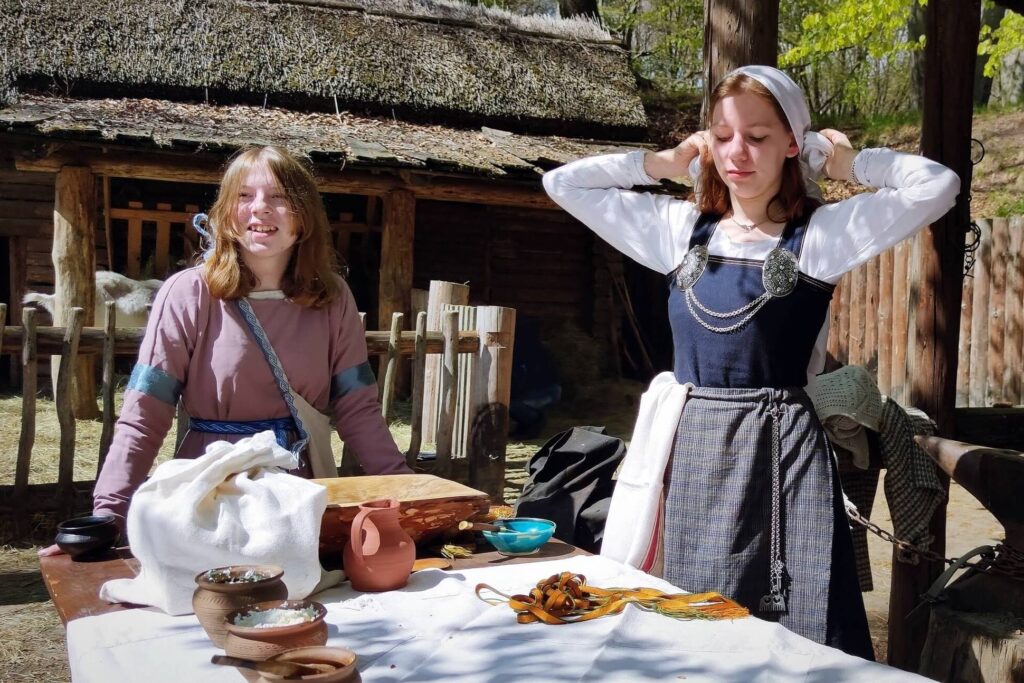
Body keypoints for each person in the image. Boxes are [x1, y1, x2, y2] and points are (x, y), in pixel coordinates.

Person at [542, 65, 960, 658]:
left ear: (793, 143)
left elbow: (938, 186)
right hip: (693, 457)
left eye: (759, 137)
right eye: (722, 134)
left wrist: (847, 163)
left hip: (783, 456)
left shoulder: (821, 236)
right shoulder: (679, 231)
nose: (737, 152)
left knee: (800, 620)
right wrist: (658, 164)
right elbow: (564, 185)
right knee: (692, 623)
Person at [40, 146, 410, 555]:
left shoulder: (330, 297)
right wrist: (110, 511)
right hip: (210, 496)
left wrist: (410, 493)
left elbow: (359, 411)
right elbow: (145, 413)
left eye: (280, 197)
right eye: (244, 196)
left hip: (299, 494)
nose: (260, 210)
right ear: (225, 212)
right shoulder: (188, 293)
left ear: (304, 217)